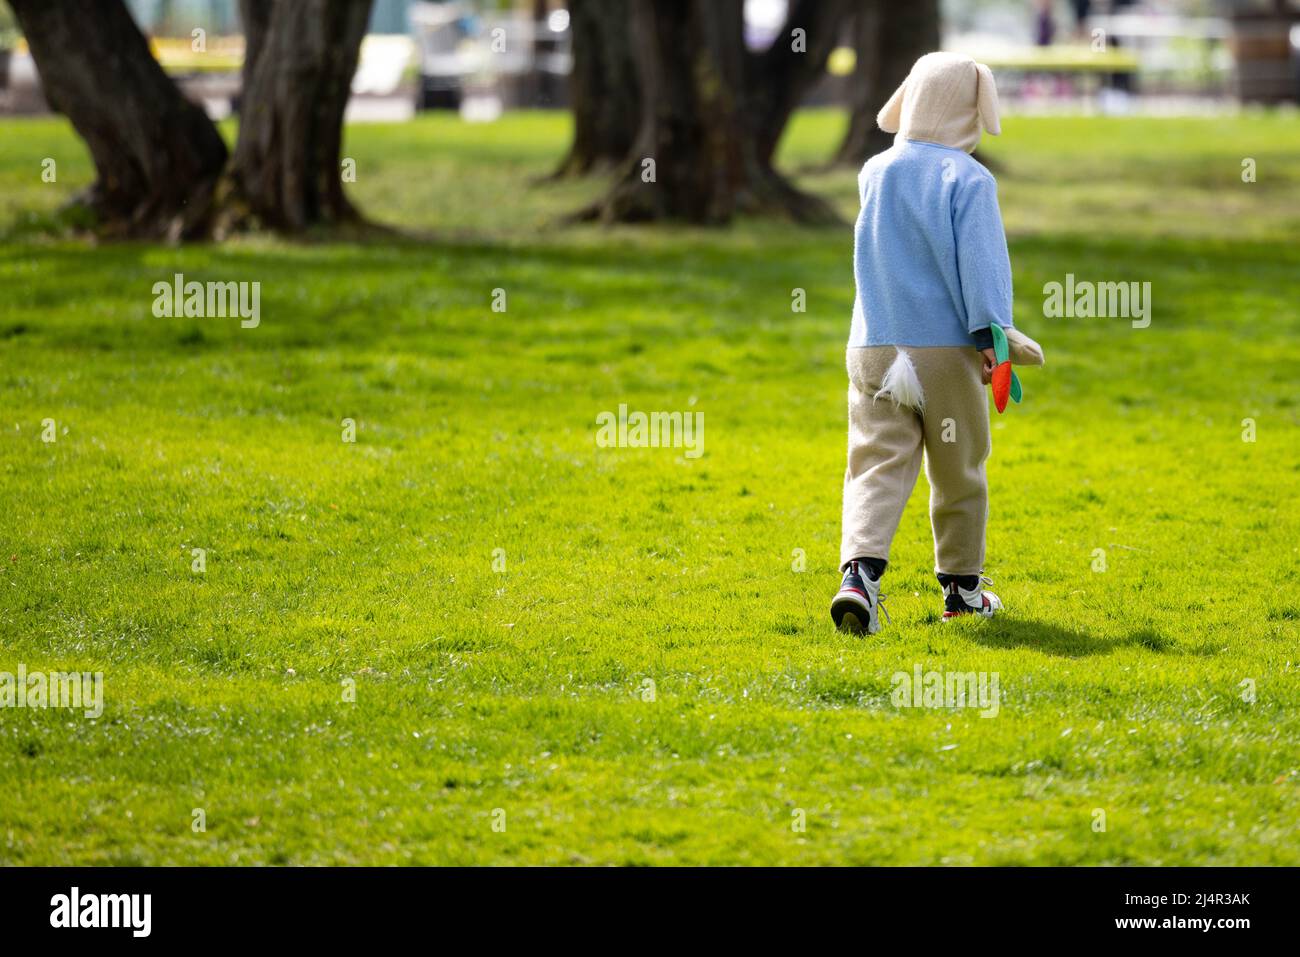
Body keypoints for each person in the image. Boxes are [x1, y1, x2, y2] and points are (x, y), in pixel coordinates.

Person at [830, 52, 1041, 635]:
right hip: (944, 352)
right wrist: (993, 335)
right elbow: (982, 266)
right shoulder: (967, 178)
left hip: (873, 344)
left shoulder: (875, 171)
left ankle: (858, 579)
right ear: (969, 109)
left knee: (874, 464)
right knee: (959, 468)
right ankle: (962, 590)